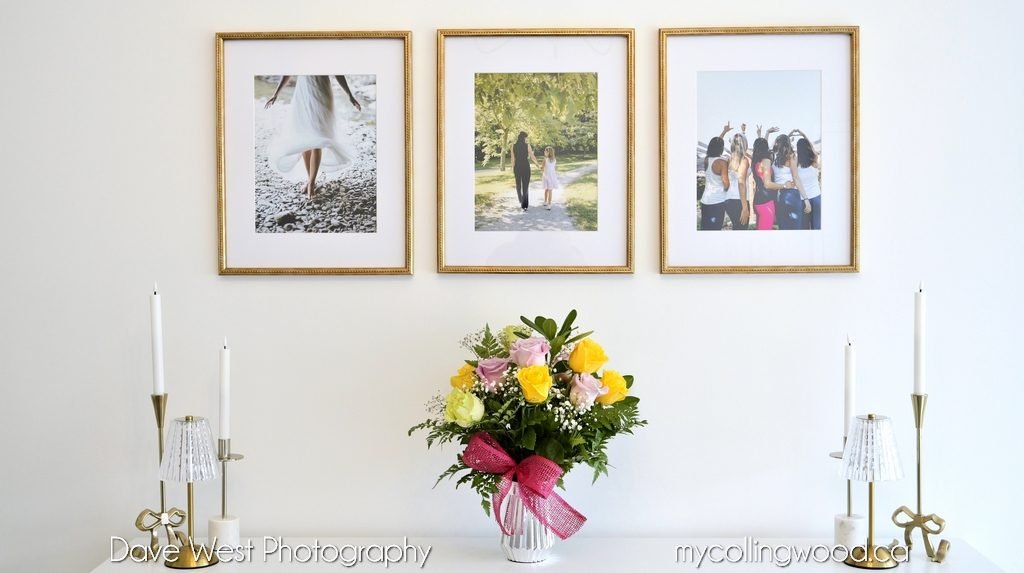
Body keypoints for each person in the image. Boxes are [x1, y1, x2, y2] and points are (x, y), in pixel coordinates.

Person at [264, 75, 362, 198]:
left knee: (317, 138)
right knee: (305, 137)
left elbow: (337, 72)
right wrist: (276, 93)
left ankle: (311, 183)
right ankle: (310, 180)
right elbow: (288, 72)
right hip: (303, 93)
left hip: (321, 91)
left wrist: (349, 94)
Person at [772, 134, 810, 230]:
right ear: (788, 143)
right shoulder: (791, 156)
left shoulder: (775, 159)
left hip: (781, 196)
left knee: (784, 228)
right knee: (795, 229)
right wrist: (806, 199)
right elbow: (796, 178)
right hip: (792, 195)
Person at [792, 131, 822, 230]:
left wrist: (791, 134)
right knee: (816, 228)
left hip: (803, 200)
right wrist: (804, 135)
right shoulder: (814, 160)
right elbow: (812, 148)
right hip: (817, 197)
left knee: (804, 229)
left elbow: (785, 147)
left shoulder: (796, 163)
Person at [700, 135, 729, 230]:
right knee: (715, 231)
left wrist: (724, 132)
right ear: (721, 148)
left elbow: (716, 143)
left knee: (705, 230)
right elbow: (726, 184)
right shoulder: (721, 162)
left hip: (705, 200)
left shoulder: (707, 159)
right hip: (717, 202)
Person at [750, 136, 776, 230]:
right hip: (766, 201)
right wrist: (784, 185)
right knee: (765, 234)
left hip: (758, 200)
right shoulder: (765, 161)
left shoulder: (755, 162)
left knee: (761, 229)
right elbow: (768, 184)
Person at [725, 132, 750, 230]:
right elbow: (741, 183)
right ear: (745, 144)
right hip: (740, 202)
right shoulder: (743, 160)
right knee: (741, 232)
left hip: (728, 200)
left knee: (737, 229)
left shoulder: (729, 159)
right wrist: (745, 208)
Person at [511, 132, 541, 211]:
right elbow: (532, 156)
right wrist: (537, 164)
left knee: (518, 185)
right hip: (525, 167)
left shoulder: (513, 146)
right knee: (525, 186)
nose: (526, 139)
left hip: (517, 167)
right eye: (526, 138)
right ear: (524, 138)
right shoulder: (527, 145)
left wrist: (512, 167)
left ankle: (521, 199)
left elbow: (513, 158)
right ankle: (524, 205)